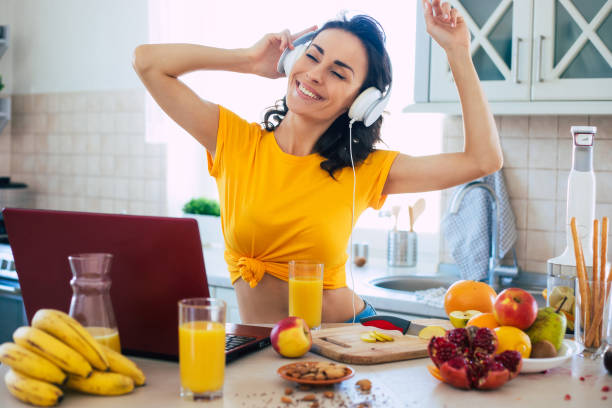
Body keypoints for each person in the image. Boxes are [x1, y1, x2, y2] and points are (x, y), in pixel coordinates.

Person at [133, 0, 503, 324]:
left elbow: (483, 159)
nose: (314, 74)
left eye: (338, 73)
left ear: (361, 104)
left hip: (349, 341)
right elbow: (147, 62)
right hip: (271, 352)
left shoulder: (365, 170)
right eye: (312, 56)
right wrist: (247, 60)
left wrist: (457, 52)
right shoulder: (234, 140)